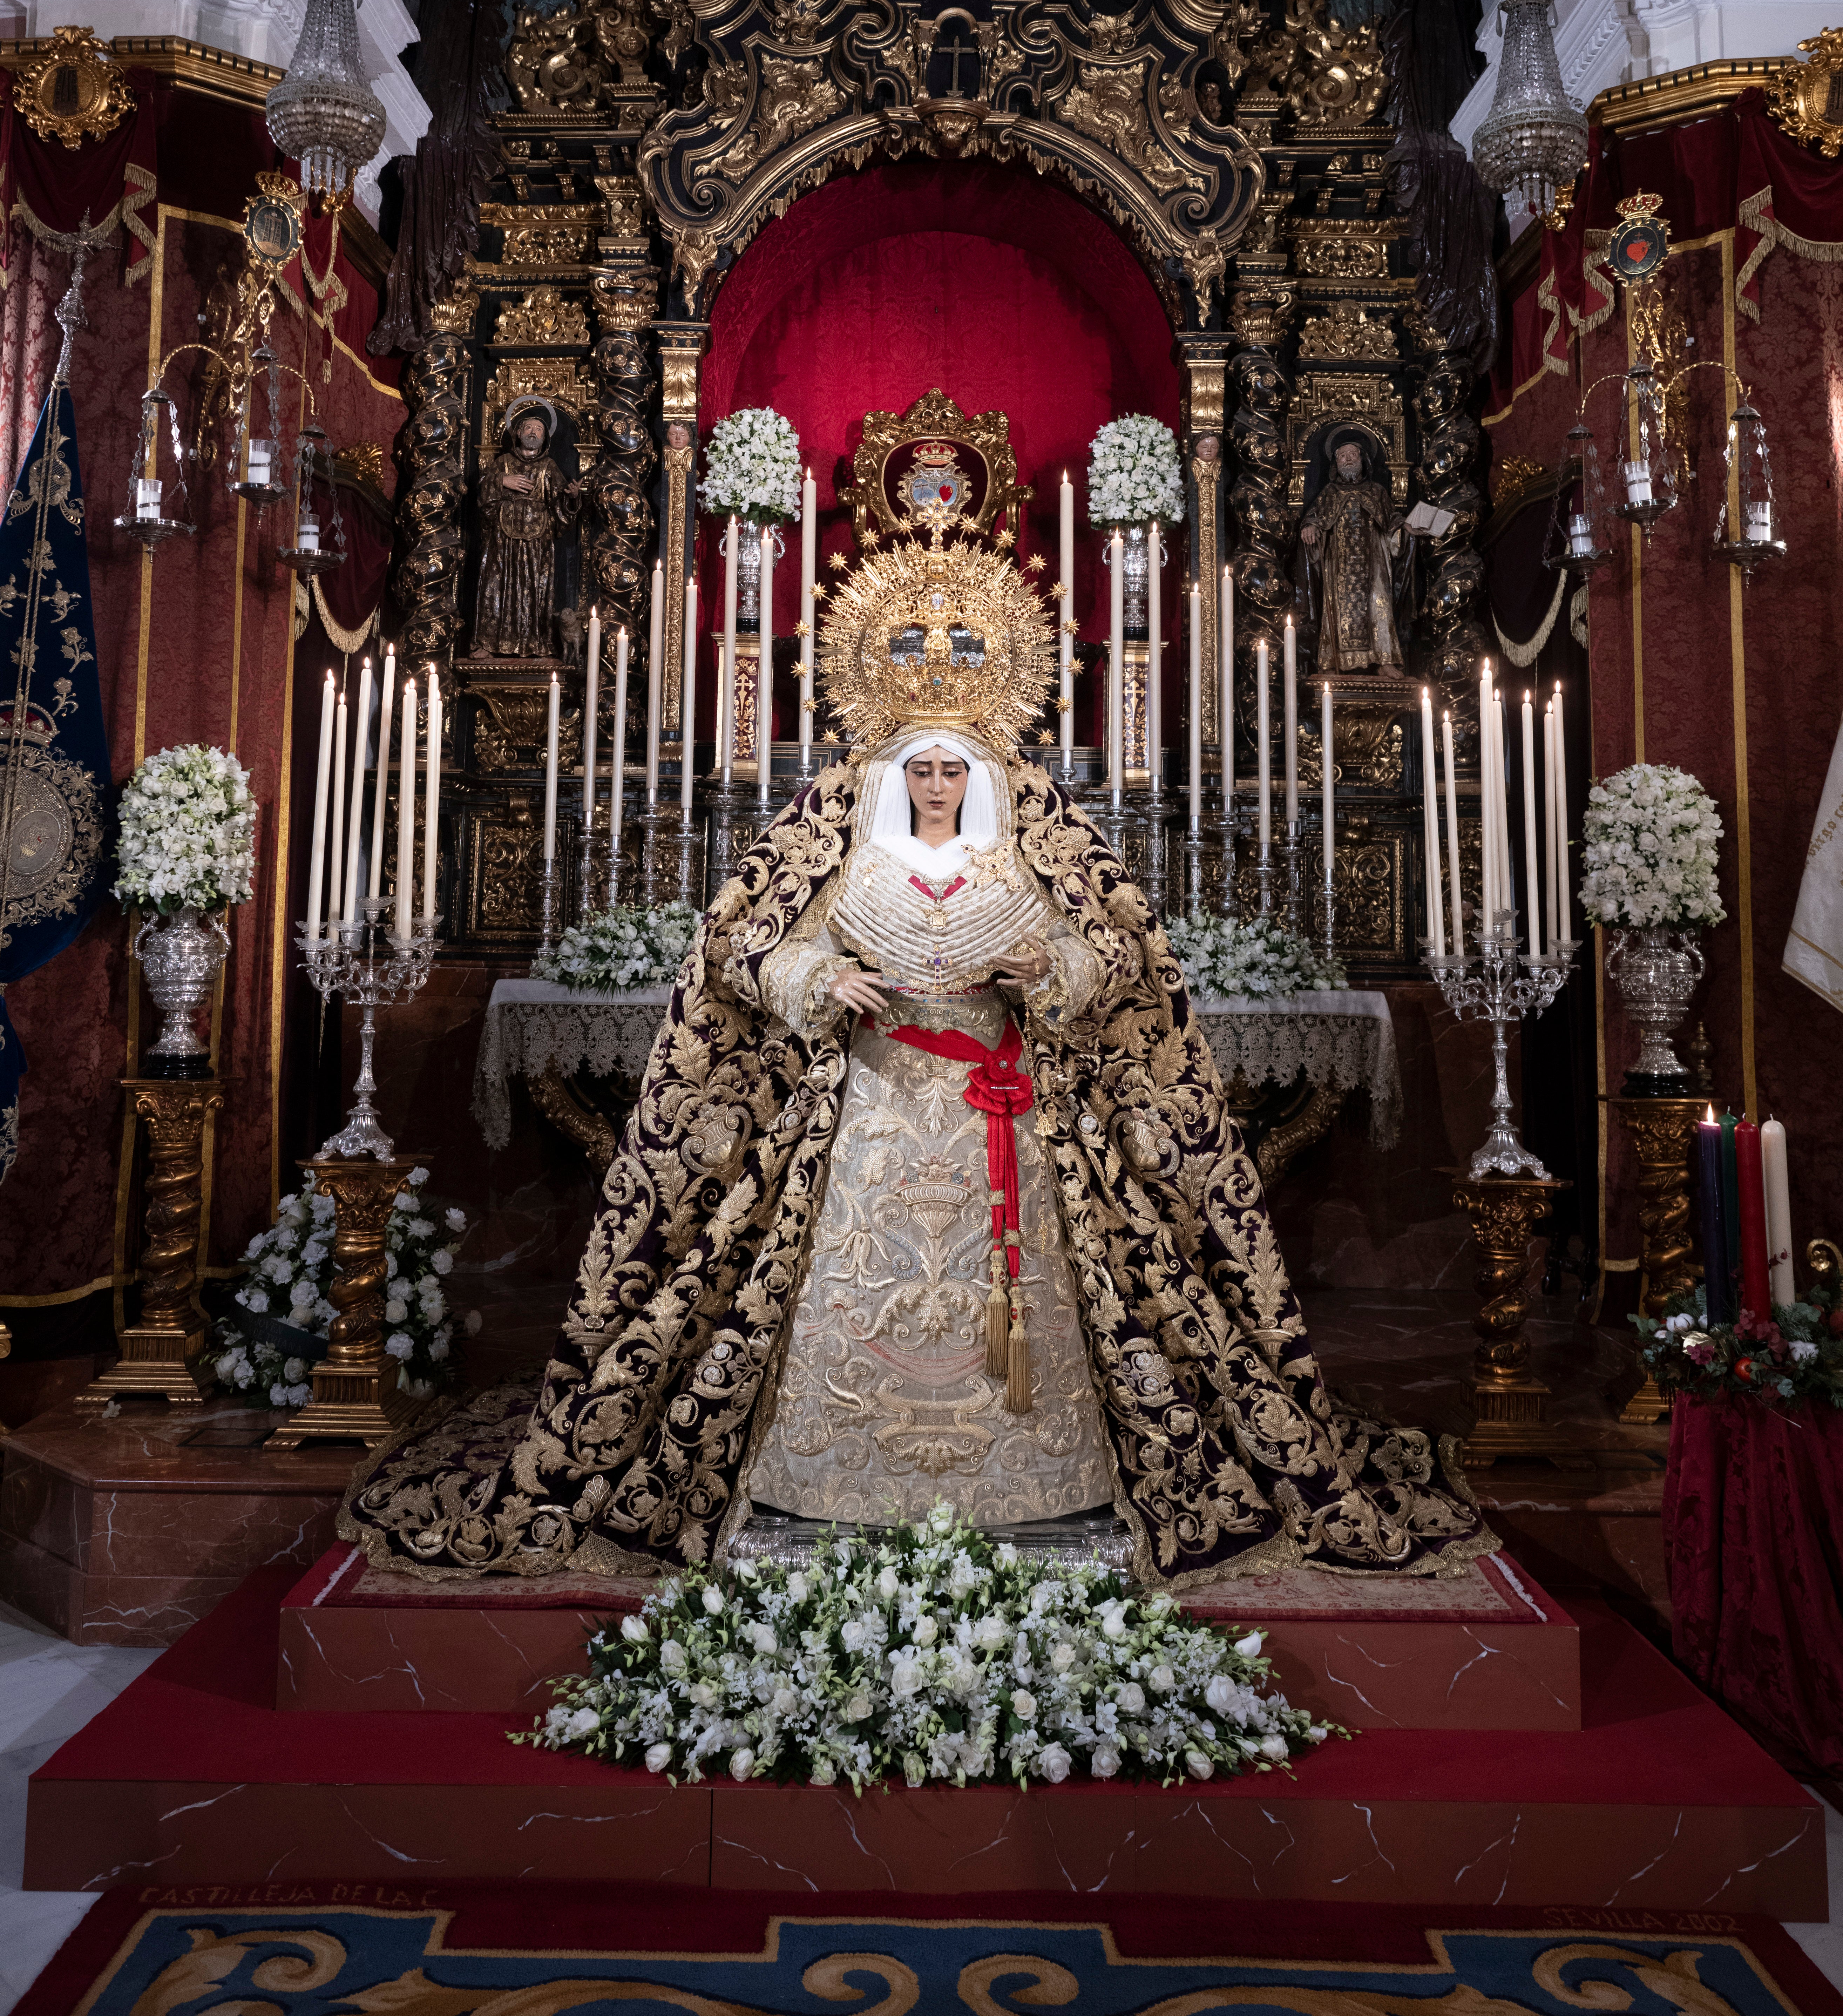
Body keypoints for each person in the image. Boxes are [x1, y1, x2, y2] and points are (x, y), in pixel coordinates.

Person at [346, 528, 1488, 1588]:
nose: (937, 785)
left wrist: (1050, 973)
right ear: (895, 775)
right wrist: (817, 981)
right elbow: (746, 946)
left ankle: (1038, 1479)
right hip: (874, 1115)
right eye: (921, 771)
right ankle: (826, 1477)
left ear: (976, 777)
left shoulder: (1029, 852)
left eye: (952, 771)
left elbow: (1116, 952)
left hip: (1006, 1113)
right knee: (856, 1282)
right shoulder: (844, 853)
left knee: (1020, 1291)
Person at [473, 400, 581, 659]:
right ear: (519, 433)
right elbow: (483, 491)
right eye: (529, 428)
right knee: (496, 586)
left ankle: (534, 643)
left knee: (534, 589)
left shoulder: (549, 466)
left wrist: (572, 497)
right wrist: (503, 481)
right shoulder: (503, 462)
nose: (533, 433)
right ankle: (489, 643)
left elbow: (561, 504)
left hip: (537, 542)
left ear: (545, 438)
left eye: (539, 430)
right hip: (502, 539)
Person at [1300, 431, 1409, 674]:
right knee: (1336, 609)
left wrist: (1405, 529)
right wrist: (1311, 527)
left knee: (1379, 605)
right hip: (1339, 564)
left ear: (1363, 459)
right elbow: (1314, 518)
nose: (1348, 459)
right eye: (1343, 456)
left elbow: (1392, 522)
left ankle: (1385, 660)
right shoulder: (1329, 493)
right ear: (1336, 462)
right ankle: (1332, 661)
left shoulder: (1377, 492)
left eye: (1353, 455)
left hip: (1374, 563)